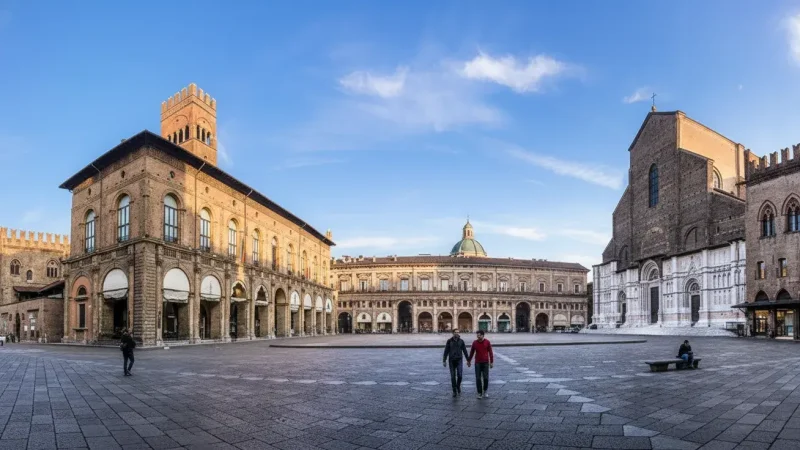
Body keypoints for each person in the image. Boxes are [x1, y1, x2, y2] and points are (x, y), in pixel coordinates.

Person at [467, 330, 494, 398]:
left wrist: (491, 362)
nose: (478, 337)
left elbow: (490, 352)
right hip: (477, 362)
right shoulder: (475, 342)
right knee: (478, 378)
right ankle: (479, 393)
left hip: (485, 362)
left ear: (482, 335)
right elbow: (472, 352)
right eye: (477, 335)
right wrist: (469, 360)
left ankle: (485, 391)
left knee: (485, 378)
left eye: (479, 335)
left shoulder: (487, 342)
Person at [442, 329, 469, 397]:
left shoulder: (461, 341)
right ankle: (454, 390)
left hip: (459, 360)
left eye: (458, 332)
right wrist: (444, 360)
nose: (457, 333)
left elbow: (465, 351)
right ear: (453, 333)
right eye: (455, 332)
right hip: (451, 360)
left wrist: (468, 360)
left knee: (460, 375)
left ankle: (458, 386)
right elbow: (446, 351)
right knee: (453, 376)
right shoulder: (449, 341)